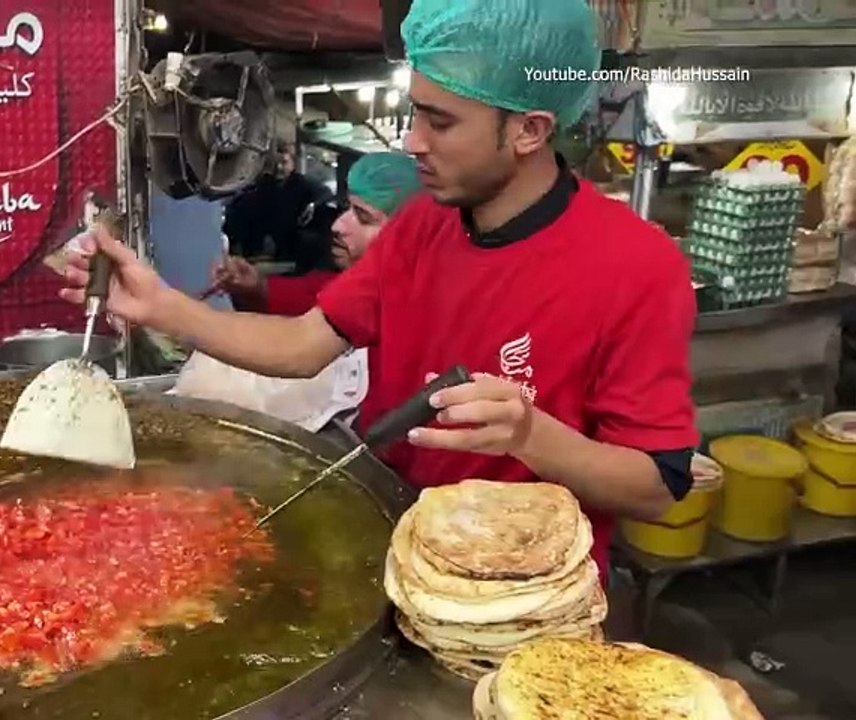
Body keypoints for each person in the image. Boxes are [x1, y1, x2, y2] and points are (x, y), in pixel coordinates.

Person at [60, 0, 697, 578]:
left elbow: (657, 487)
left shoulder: (635, 265)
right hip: (399, 537)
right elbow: (306, 344)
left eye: (440, 123)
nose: (412, 141)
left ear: (529, 130)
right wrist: (162, 306)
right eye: (416, 112)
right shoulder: (424, 222)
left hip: (526, 588)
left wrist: (530, 434)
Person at [214, 151, 423, 317]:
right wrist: (258, 287)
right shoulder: (356, 285)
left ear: (408, 235)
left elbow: (311, 338)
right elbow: (318, 296)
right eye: (348, 208)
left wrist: (186, 315)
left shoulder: (407, 312)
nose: (338, 226)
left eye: (364, 218)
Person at [222, 141, 332, 261]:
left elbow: (326, 193)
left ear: (293, 165)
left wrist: (312, 205)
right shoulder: (265, 183)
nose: (279, 168)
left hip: (291, 235)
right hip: (265, 234)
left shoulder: (302, 183)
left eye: (284, 163)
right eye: (276, 164)